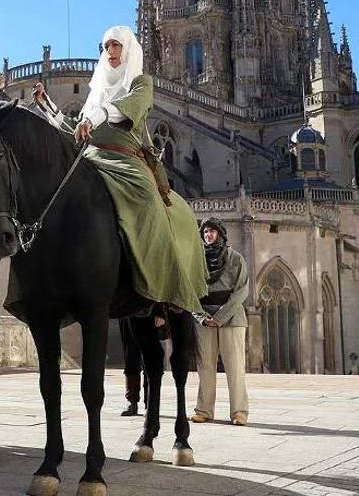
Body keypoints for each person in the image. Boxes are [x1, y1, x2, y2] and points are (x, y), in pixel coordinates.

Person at [31, 26, 207, 315]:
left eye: (116, 46)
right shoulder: (96, 89)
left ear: (128, 49)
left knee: (149, 204)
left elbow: (129, 108)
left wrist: (97, 116)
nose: (110, 52)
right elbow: (75, 129)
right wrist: (48, 107)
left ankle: (163, 288)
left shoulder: (141, 83)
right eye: (106, 47)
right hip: (91, 157)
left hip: (127, 162)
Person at [190, 218, 250, 426]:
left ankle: (239, 412)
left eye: (212, 231)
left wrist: (220, 317)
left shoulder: (235, 259)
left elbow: (242, 291)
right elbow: (192, 291)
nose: (208, 235)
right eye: (205, 232)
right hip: (205, 318)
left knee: (234, 366)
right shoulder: (196, 260)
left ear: (221, 234)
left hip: (231, 317)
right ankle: (204, 409)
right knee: (204, 365)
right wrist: (201, 316)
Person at [117, 317, 144, 416]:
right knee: (130, 357)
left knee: (149, 360)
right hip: (126, 314)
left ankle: (149, 402)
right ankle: (132, 401)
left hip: (146, 311)